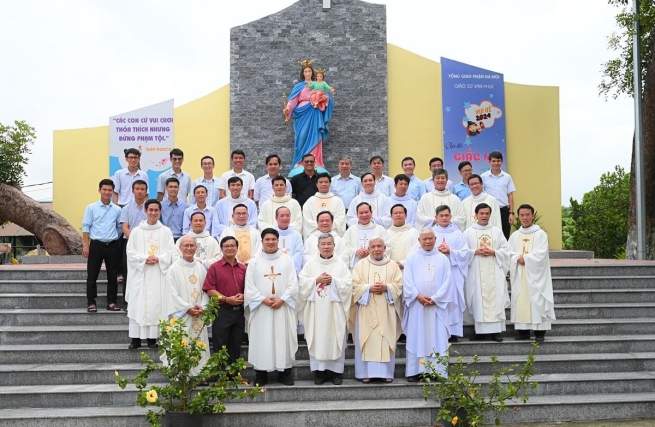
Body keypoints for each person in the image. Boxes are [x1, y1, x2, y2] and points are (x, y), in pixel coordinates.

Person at [245, 228, 298, 386]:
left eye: (273, 239)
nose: (270, 242)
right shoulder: (254, 262)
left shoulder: (287, 260)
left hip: (282, 307)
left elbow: (293, 284)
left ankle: (285, 373)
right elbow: (249, 286)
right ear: (262, 241)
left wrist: (283, 299)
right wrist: (263, 300)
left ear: (277, 241)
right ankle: (261, 375)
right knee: (262, 340)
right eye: (267, 239)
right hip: (262, 309)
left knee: (283, 338)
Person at [402, 228, 456, 381]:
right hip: (417, 306)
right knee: (416, 336)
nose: (427, 241)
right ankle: (415, 371)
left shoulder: (443, 259)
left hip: (436, 307)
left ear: (435, 239)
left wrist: (436, 298)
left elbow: (448, 282)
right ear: (419, 240)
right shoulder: (412, 258)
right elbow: (407, 280)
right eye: (424, 239)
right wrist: (417, 296)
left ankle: (438, 371)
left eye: (430, 238)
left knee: (437, 337)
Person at [298, 233, 352, 385]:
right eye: (323, 244)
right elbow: (302, 284)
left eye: (329, 244)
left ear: (334, 246)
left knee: (335, 337)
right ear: (318, 246)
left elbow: (348, 285)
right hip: (316, 311)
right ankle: (319, 373)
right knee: (318, 337)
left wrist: (333, 281)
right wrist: (316, 280)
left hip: (335, 310)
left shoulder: (340, 264)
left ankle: (335, 373)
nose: (326, 246)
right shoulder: (310, 264)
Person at [350, 237, 403, 383]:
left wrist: (387, 287)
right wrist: (368, 288)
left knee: (385, 338)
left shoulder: (393, 265)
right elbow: (354, 286)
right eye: (373, 246)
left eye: (379, 246)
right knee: (368, 338)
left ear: (385, 248)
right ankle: (365, 373)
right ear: (369, 249)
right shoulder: (361, 265)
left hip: (386, 309)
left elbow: (399, 285)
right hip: (366, 309)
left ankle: (386, 373)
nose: (377, 249)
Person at [126, 199, 175, 349]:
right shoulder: (136, 231)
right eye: (150, 210)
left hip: (159, 273)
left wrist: (159, 258)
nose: (153, 213)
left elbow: (171, 252)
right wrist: (144, 259)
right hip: (141, 273)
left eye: (156, 210)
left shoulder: (166, 231)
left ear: (160, 212)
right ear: (145, 211)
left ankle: (153, 339)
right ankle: (135, 339)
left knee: (156, 306)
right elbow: (130, 252)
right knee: (138, 304)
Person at [162, 236, 210, 375]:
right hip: (182, 315)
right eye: (186, 246)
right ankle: (184, 375)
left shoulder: (201, 267)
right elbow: (171, 293)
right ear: (180, 248)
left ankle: (200, 374)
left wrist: (203, 306)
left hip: (199, 314)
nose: (189, 248)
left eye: (192, 246)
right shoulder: (173, 269)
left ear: (196, 248)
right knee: (183, 342)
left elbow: (206, 290)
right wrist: (187, 308)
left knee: (199, 343)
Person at [508, 204, 555, 343]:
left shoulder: (540, 234)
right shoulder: (515, 236)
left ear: (533, 215)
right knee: (521, 298)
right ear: (518, 217)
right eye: (522, 215)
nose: (524, 217)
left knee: (537, 298)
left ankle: (540, 333)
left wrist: (526, 258)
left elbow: (541, 254)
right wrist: (517, 258)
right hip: (520, 274)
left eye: (527, 214)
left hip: (536, 276)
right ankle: (523, 332)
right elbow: (508, 252)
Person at [462, 203, 510, 342]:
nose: (484, 216)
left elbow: (506, 250)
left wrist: (494, 252)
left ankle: (496, 332)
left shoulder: (497, 231)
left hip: (494, 270)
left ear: (490, 214)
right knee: (478, 298)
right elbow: (463, 252)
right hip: (476, 272)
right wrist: (474, 251)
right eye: (481, 213)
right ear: (476, 215)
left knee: (496, 298)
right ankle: (480, 332)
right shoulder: (468, 232)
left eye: (487, 213)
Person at [202, 236, 247, 372]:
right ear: (221, 249)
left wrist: (244, 295)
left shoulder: (243, 268)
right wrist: (227, 299)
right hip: (222, 310)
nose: (230, 248)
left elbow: (249, 287)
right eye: (226, 246)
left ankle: (234, 375)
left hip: (239, 312)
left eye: (232, 246)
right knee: (220, 344)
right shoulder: (214, 268)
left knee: (236, 343)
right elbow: (209, 289)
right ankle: (220, 375)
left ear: (237, 248)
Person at [284, 60, 333, 171]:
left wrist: (326, 99)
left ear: (312, 73)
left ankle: (316, 161)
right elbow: (293, 100)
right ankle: (299, 161)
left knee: (316, 136)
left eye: (309, 71)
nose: (308, 73)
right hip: (302, 114)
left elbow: (327, 97)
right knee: (301, 137)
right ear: (303, 73)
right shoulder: (299, 86)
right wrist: (287, 108)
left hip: (315, 113)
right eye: (305, 71)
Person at [82, 179, 122, 313]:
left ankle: (111, 302)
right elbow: (86, 227)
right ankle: (91, 302)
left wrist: (114, 238)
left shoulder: (117, 209)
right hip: (96, 245)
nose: (107, 192)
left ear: (112, 192)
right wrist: (86, 246)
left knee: (113, 275)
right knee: (92, 275)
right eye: (104, 189)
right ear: (99, 190)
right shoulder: (91, 208)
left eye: (110, 190)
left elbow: (119, 227)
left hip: (112, 245)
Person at [432, 205, 470, 343]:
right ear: (436, 217)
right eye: (441, 215)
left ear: (451, 217)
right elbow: (422, 250)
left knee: (452, 301)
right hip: (434, 274)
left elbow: (465, 254)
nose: (444, 218)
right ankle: (438, 330)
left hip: (453, 274)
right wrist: (436, 251)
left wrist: (450, 252)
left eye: (446, 215)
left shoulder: (458, 234)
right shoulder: (429, 233)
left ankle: (452, 332)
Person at [119, 179, 148, 309]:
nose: (140, 191)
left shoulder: (150, 207)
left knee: (146, 272)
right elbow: (125, 227)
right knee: (128, 271)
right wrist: (135, 240)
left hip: (148, 244)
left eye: (142, 189)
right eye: (137, 189)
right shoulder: (126, 208)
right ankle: (128, 302)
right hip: (130, 244)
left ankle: (144, 301)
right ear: (132, 191)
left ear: (146, 191)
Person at [481, 151, 516, 240]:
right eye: (493, 161)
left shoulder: (507, 177)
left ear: (502, 162)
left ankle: (503, 254)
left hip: (504, 211)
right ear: (489, 162)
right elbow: (481, 194)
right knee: (490, 234)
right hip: (489, 210)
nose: (496, 163)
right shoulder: (484, 177)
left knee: (505, 235)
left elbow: (510, 196)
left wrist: (511, 213)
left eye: (498, 161)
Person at [343, 202, 389, 269]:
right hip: (356, 267)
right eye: (361, 213)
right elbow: (344, 247)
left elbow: (387, 247)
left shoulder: (381, 230)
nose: (364, 215)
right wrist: (356, 251)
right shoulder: (350, 230)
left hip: (376, 267)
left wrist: (372, 252)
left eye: (366, 212)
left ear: (371, 213)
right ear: (357, 215)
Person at [303, 172, 346, 239]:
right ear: (316, 184)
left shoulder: (338, 201)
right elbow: (307, 220)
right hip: (315, 236)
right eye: (321, 182)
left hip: (333, 236)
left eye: (326, 182)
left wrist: (328, 227)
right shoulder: (310, 201)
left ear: (330, 184)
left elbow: (341, 219)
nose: (323, 184)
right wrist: (322, 226)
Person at [386, 204, 419, 270]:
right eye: (395, 213)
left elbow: (416, 251)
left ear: (406, 215)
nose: (398, 215)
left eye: (400, 212)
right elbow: (384, 252)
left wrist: (404, 263)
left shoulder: (414, 232)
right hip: (391, 269)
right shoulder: (387, 233)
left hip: (408, 268)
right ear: (391, 216)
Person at [274, 207, 304, 276]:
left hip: (291, 271)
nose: (285, 218)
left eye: (287, 216)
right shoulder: (271, 234)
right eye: (282, 216)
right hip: (275, 270)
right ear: (276, 218)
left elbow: (299, 253)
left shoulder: (296, 235)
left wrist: (286, 264)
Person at [160, 177, 188, 242]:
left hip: (180, 239)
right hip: (164, 238)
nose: (173, 189)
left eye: (175, 187)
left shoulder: (185, 206)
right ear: (166, 188)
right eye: (170, 187)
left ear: (179, 189)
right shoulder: (160, 206)